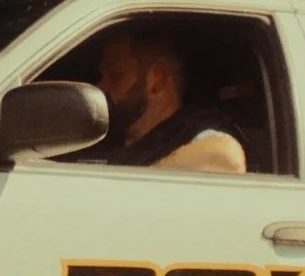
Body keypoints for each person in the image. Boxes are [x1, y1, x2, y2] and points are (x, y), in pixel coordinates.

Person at [79, 28, 249, 173]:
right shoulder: (102, 136)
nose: (101, 88)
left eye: (116, 76)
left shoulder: (188, 130)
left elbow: (225, 157)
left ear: (157, 81)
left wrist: (137, 183)